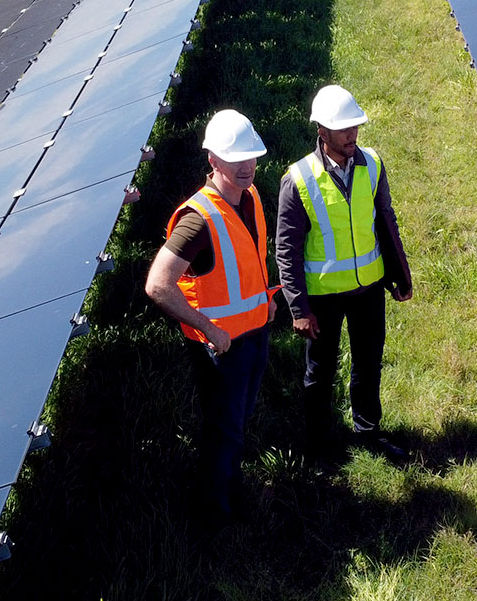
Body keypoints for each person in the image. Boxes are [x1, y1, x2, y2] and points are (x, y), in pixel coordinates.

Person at [144, 109, 277, 520]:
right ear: (213, 161)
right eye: (235, 159)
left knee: (235, 425)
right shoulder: (197, 220)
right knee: (223, 432)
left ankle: (228, 489)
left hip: (254, 334)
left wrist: (265, 299)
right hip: (222, 349)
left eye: (251, 157)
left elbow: (246, 261)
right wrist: (209, 329)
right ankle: (213, 517)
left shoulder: (250, 197)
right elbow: (157, 284)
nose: (246, 167)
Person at [276, 84, 413, 463]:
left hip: (369, 289)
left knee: (368, 364)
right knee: (320, 374)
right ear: (322, 130)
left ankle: (368, 433)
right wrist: (299, 309)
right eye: (343, 129)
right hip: (323, 298)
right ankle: (320, 447)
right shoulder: (298, 179)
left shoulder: (373, 164)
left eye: (355, 126)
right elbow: (286, 249)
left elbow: (386, 222)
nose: (352, 135)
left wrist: (400, 277)